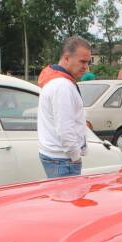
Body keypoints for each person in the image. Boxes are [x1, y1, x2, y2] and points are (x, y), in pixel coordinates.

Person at [37, 35, 92, 179]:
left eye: (88, 62)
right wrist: (75, 156)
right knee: (69, 195)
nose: (86, 68)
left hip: (57, 157)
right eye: (82, 62)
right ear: (66, 58)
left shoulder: (55, 79)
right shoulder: (62, 86)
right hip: (63, 160)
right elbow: (65, 129)